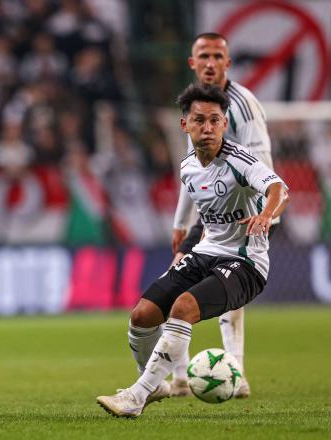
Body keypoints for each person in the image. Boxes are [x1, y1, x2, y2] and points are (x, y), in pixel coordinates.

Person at [96, 84, 288, 418]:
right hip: (206, 252)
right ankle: (154, 382)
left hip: (245, 263)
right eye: (200, 120)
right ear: (185, 125)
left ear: (224, 125)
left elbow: (278, 188)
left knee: (183, 307)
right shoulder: (188, 169)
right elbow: (206, 216)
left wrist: (266, 214)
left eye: (215, 120)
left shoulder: (240, 161)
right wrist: (186, 244)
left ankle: (136, 397)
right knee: (142, 315)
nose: (208, 127)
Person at [169, 33, 275, 398]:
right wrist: (180, 222)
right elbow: (192, 170)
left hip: (247, 212)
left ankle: (202, 376)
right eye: (204, 56)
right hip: (211, 210)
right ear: (193, 63)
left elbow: (263, 167)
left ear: (228, 63)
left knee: (212, 287)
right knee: (194, 285)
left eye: (218, 56)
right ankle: (193, 377)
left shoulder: (242, 105)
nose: (211, 63)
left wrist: (262, 217)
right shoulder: (197, 106)